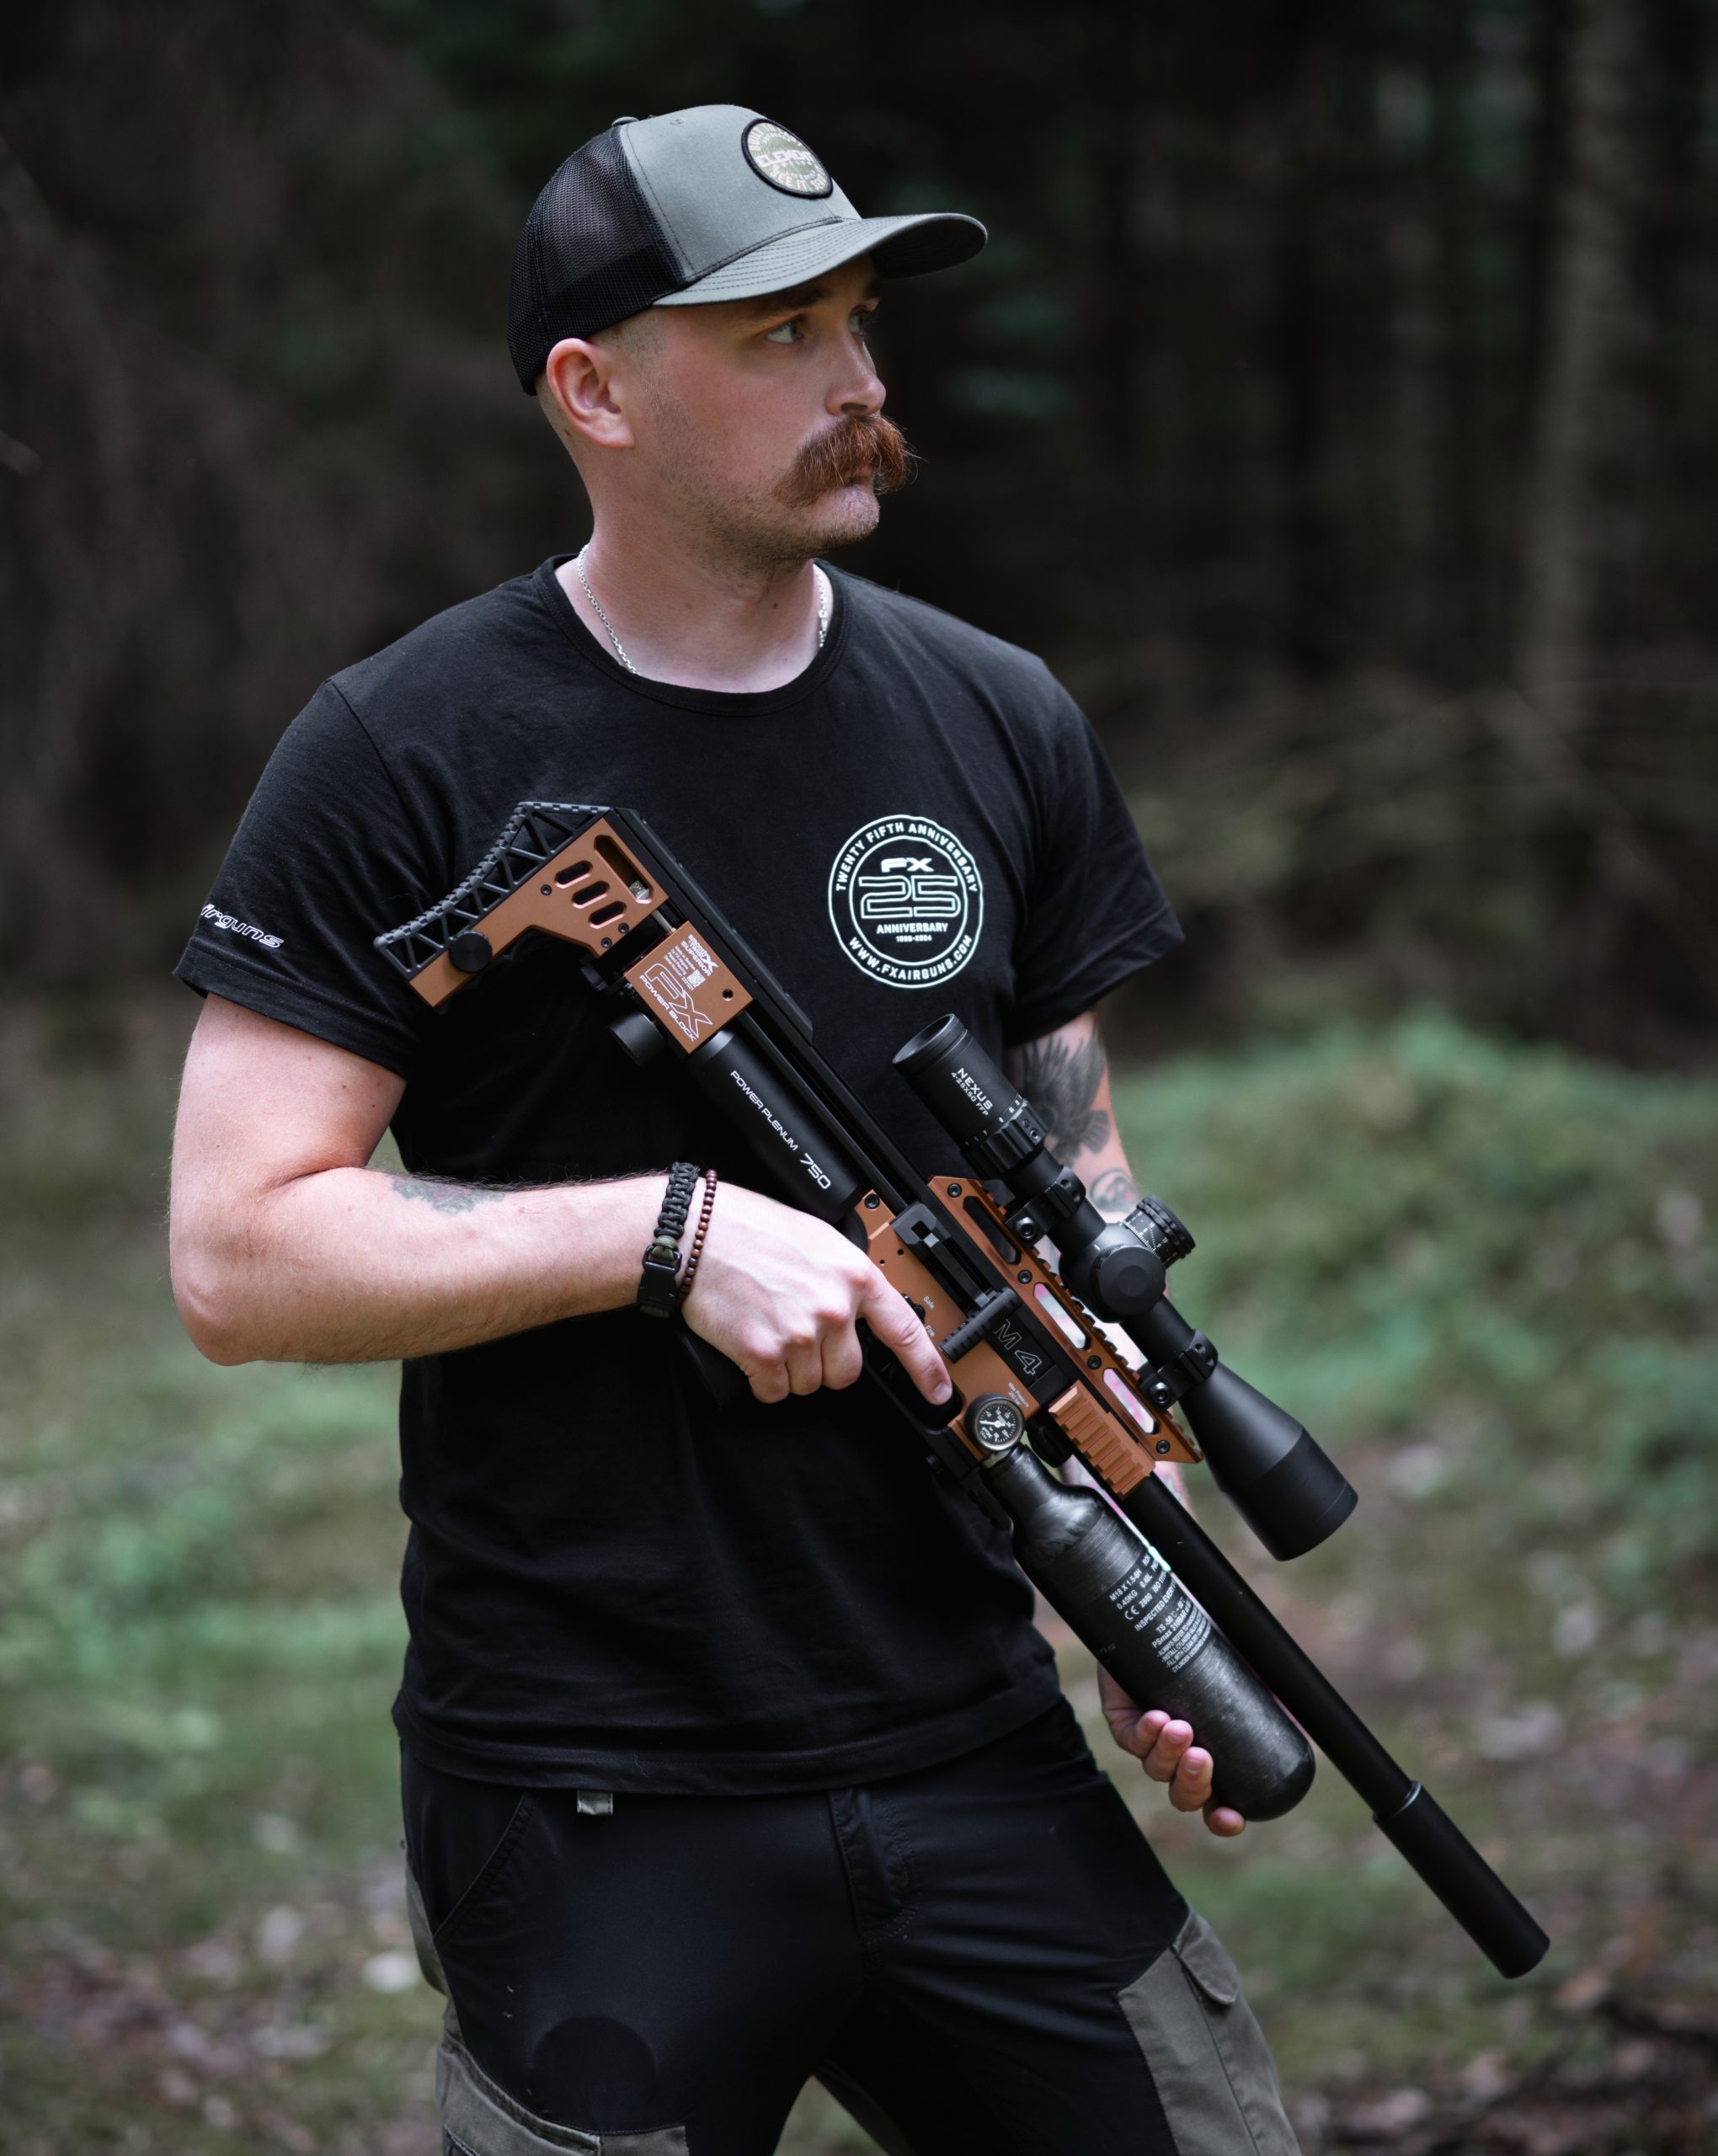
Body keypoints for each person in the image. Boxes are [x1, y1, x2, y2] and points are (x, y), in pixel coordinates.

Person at [169, 105, 1299, 2156]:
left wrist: (1145, 1604)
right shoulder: (397, 749)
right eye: (780, 330)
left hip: (973, 1733)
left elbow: (1076, 1191)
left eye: (861, 320)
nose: (862, 381)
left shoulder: (999, 716)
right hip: (590, 1782)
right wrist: (666, 1234)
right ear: (591, 391)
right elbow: (240, 1254)